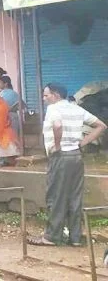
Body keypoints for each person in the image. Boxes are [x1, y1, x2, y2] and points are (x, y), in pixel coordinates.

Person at [29, 84, 107, 247]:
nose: (44, 99)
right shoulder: (76, 109)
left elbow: (57, 125)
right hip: (76, 156)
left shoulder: (54, 109)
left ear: (56, 95)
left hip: (60, 157)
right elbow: (101, 125)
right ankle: (75, 237)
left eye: (46, 95)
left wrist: (57, 145)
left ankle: (51, 236)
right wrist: (84, 142)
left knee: (56, 196)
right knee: (75, 196)